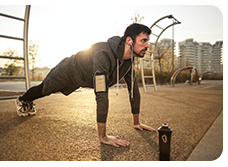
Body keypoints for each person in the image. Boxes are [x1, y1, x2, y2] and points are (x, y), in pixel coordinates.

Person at [15, 23, 156, 148]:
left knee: (45, 89)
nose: (147, 45)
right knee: (44, 89)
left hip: (82, 78)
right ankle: (23, 100)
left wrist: (136, 122)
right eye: (143, 40)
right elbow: (101, 92)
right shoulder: (103, 54)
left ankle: (26, 100)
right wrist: (103, 136)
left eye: (148, 41)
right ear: (129, 40)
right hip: (68, 71)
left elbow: (134, 90)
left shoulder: (128, 62)